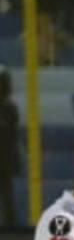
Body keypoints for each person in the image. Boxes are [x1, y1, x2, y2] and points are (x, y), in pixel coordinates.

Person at [0, 68, 18, 227]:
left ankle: (9, 224)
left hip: (5, 158)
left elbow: (10, 135)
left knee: (7, 193)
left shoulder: (9, 108)